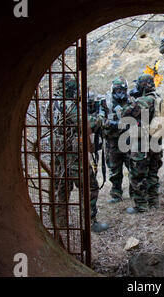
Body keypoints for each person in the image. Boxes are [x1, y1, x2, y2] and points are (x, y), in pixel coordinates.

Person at [53, 75, 109, 233]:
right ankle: (90, 222)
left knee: (62, 188)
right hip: (73, 154)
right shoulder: (68, 104)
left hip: (57, 153)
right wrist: (99, 118)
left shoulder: (51, 103)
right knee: (89, 187)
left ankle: (60, 222)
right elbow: (84, 122)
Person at [122, 74, 163, 214]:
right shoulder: (158, 98)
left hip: (142, 143)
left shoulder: (145, 100)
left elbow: (126, 113)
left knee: (138, 174)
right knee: (152, 172)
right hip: (156, 142)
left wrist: (131, 102)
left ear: (143, 85)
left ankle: (141, 205)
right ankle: (153, 201)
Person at [96, 77, 132, 204]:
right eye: (117, 89)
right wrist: (112, 123)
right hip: (112, 140)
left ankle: (134, 192)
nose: (119, 92)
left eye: (122, 89)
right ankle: (116, 193)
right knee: (114, 168)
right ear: (112, 89)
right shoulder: (105, 102)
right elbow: (100, 119)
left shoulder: (131, 100)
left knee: (132, 166)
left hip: (128, 140)